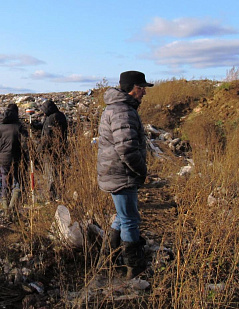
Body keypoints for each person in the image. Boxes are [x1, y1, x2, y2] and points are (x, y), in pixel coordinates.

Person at [96, 71, 153, 279]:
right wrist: (141, 170)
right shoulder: (123, 112)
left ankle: (108, 258)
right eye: (142, 87)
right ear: (132, 88)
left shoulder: (117, 108)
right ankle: (133, 268)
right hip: (122, 173)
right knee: (130, 219)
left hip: (116, 172)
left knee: (122, 216)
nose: (144, 92)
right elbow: (127, 149)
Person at [0, 103, 28, 214]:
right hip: (16, 158)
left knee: (5, 183)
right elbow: (26, 144)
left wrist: (1, 149)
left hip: (3, 159)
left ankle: (5, 209)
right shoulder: (18, 127)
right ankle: (12, 208)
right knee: (17, 183)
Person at [37, 99, 68, 201]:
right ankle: (60, 194)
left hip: (50, 151)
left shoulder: (51, 118)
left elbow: (47, 137)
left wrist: (39, 149)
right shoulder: (60, 116)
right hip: (60, 149)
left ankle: (52, 196)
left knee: (51, 173)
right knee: (59, 172)